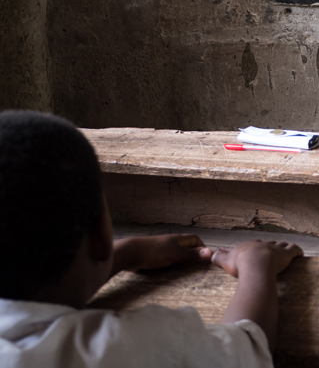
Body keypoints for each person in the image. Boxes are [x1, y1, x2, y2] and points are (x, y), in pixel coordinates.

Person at [0, 110, 303, 367]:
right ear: (98, 237)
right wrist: (257, 266)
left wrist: (124, 254)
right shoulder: (120, 347)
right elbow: (247, 348)